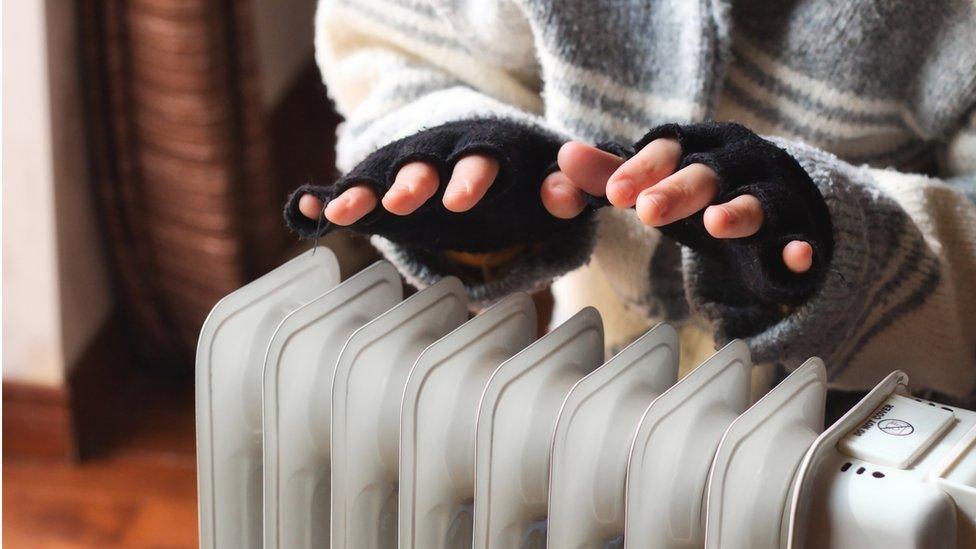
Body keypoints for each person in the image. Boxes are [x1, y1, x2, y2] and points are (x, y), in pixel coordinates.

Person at [284, 0, 976, 404]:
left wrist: (845, 248)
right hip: (602, 390)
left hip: (879, 427)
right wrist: (467, 156)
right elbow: (394, 40)